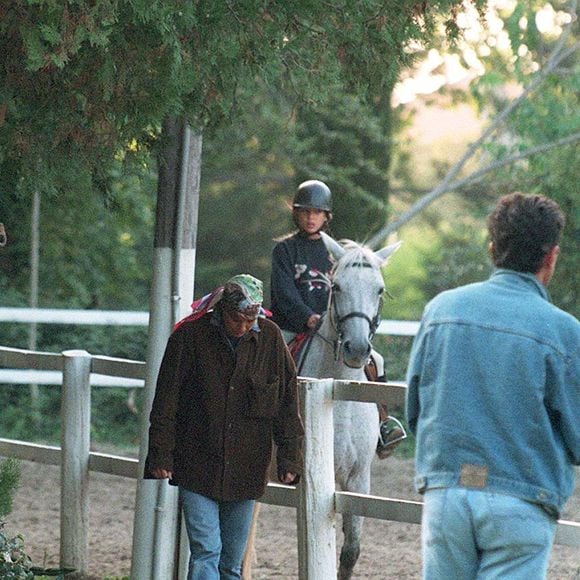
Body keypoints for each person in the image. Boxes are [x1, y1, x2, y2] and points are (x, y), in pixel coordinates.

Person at [406, 192, 580, 579]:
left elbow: (415, 412)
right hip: (523, 498)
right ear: (551, 256)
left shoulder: (441, 310)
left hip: (446, 491)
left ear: (492, 248)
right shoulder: (563, 332)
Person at [144, 274, 304, 580]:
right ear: (221, 311)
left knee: (231, 561)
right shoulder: (189, 337)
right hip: (196, 462)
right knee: (206, 551)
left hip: (247, 465)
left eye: (250, 320)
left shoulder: (270, 338)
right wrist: (161, 455)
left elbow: (287, 403)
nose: (243, 327)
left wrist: (290, 458)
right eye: (236, 319)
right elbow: (166, 400)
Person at [270, 179, 405, 459]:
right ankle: (264, 427)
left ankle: (383, 426)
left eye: (317, 212)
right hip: (293, 328)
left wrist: (333, 321)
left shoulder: (336, 254)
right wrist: (307, 318)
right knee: (271, 363)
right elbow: (283, 292)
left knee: (375, 360)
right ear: (296, 213)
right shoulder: (285, 250)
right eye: (305, 211)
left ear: (326, 216)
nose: (310, 217)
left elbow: (351, 290)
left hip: (333, 327)